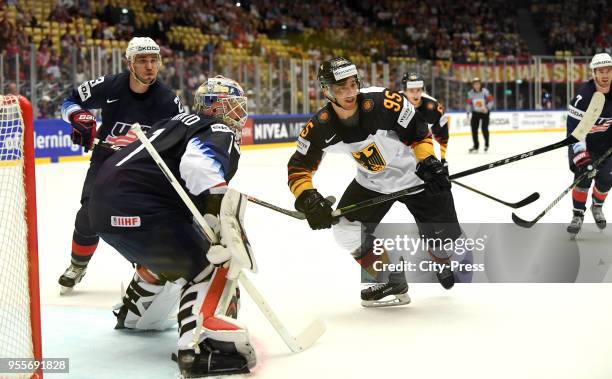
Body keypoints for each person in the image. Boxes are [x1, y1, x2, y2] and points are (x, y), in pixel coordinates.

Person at [88, 76, 256, 377]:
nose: (239, 113)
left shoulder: (174, 122)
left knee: (173, 255)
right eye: (234, 105)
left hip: (103, 209)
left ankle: (136, 317)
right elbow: (199, 166)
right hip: (143, 208)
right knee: (211, 264)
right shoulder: (215, 127)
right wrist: (216, 216)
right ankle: (199, 348)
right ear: (215, 106)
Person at [287, 57, 460, 308]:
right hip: (372, 182)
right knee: (345, 228)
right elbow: (298, 168)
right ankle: (390, 278)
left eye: (352, 84)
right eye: (340, 88)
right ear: (327, 91)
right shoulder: (320, 126)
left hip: (416, 176)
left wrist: (429, 162)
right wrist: (308, 198)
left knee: (443, 242)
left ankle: (441, 261)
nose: (349, 93)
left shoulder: (384, 101)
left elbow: (419, 132)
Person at [57, 37, 183, 294]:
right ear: (129, 63)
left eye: (153, 60)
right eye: (142, 60)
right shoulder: (110, 85)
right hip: (105, 158)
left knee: (141, 217)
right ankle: (77, 265)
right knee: (88, 214)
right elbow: (70, 100)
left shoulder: (169, 101)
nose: (149, 66)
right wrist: (77, 115)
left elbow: (179, 139)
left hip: (142, 165)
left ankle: (147, 270)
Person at [566, 53, 612, 238]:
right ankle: (577, 214)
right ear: (593, 73)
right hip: (583, 144)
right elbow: (574, 131)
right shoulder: (583, 97)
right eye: (600, 71)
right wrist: (581, 155)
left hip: (608, 146)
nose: (605, 75)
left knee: (607, 180)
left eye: (609, 70)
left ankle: (597, 207)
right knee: (583, 178)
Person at [466, 77, 494, 153]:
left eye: (478, 84)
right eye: (475, 84)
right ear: (473, 85)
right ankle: (476, 146)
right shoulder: (470, 93)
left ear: (480, 84)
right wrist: (468, 113)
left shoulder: (485, 92)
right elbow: (468, 104)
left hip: (485, 112)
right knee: (474, 129)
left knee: (484, 128)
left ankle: (486, 145)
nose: (476, 85)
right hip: (475, 113)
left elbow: (491, 101)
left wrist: (487, 108)